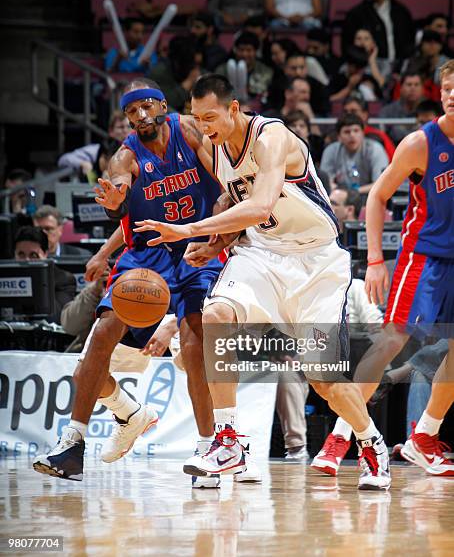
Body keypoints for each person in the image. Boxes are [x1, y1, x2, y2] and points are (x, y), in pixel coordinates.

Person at [133, 73, 392, 491]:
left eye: (211, 116)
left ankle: (369, 440)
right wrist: (217, 242)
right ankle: (229, 438)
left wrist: (190, 231)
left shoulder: (271, 135)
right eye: (198, 119)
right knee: (216, 314)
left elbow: (261, 203)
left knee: (323, 380)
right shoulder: (216, 149)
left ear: (234, 108)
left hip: (315, 262)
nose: (204, 127)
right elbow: (235, 202)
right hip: (262, 253)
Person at [32, 78, 233, 486]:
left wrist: (219, 231)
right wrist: (115, 206)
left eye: (146, 107)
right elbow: (124, 206)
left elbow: (226, 183)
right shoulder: (125, 158)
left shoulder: (189, 131)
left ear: (162, 106)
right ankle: (73, 443)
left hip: (195, 243)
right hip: (147, 253)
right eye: (131, 111)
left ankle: (207, 447)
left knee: (195, 342)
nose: (140, 116)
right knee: (103, 332)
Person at [312, 59, 454, 478]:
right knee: (393, 337)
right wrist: (375, 260)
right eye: (447, 88)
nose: (452, 95)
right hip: (423, 255)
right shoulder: (419, 143)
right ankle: (340, 437)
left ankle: (424, 437)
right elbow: (377, 198)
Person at [342, 0, 415, 62]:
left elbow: (409, 41)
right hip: (369, 65)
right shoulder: (356, 14)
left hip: (399, 64)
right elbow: (348, 45)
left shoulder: (401, 12)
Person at [14, 226, 76, 323]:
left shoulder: (64, 279)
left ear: (45, 254)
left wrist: (37, 280)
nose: (26, 260)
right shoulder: (6, 278)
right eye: (21, 254)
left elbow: (56, 318)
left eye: (33, 255)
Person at [320, 114, 389, 194]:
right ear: (339, 136)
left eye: (356, 131)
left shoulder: (375, 149)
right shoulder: (331, 151)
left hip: (369, 195)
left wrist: (353, 193)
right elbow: (325, 183)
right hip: (340, 197)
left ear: (363, 133)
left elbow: (381, 184)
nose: (352, 135)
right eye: (347, 132)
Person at [57, 110, 130, 183]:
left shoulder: (136, 151)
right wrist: (82, 163)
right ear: (111, 131)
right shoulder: (98, 150)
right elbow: (63, 159)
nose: (126, 130)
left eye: (129, 126)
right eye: (121, 127)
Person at [215, 32, 273, 103]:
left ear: (255, 51)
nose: (244, 54)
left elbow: (261, 90)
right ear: (235, 50)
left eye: (249, 50)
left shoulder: (265, 71)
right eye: (241, 50)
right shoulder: (222, 69)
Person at [343, 95, 395, 162]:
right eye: (345, 111)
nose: (348, 114)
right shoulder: (337, 137)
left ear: (365, 115)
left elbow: (394, 162)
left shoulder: (379, 136)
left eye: (353, 111)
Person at [379, 72, 424, 144]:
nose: (413, 88)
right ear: (401, 88)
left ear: (422, 88)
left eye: (416, 85)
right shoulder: (388, 111)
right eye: (409, 85)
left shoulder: (430, 109)